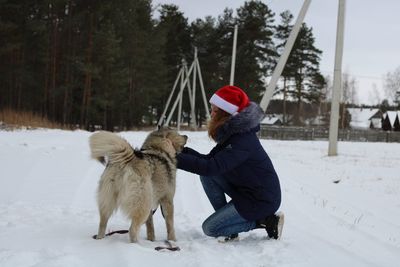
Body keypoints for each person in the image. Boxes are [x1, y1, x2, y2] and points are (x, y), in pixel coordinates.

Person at [176, 85, 284, 242]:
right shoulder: (234, 134)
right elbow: (208, 161)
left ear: (226, 114)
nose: (211, 113)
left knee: (210, 228)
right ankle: (228, 225)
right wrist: (180, 151)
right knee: (208, 177)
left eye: (215, 110)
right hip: (246, 191)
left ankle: (265, 221)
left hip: (261, 200)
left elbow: (210, 167)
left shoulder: (242, 140)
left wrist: (172, 158)